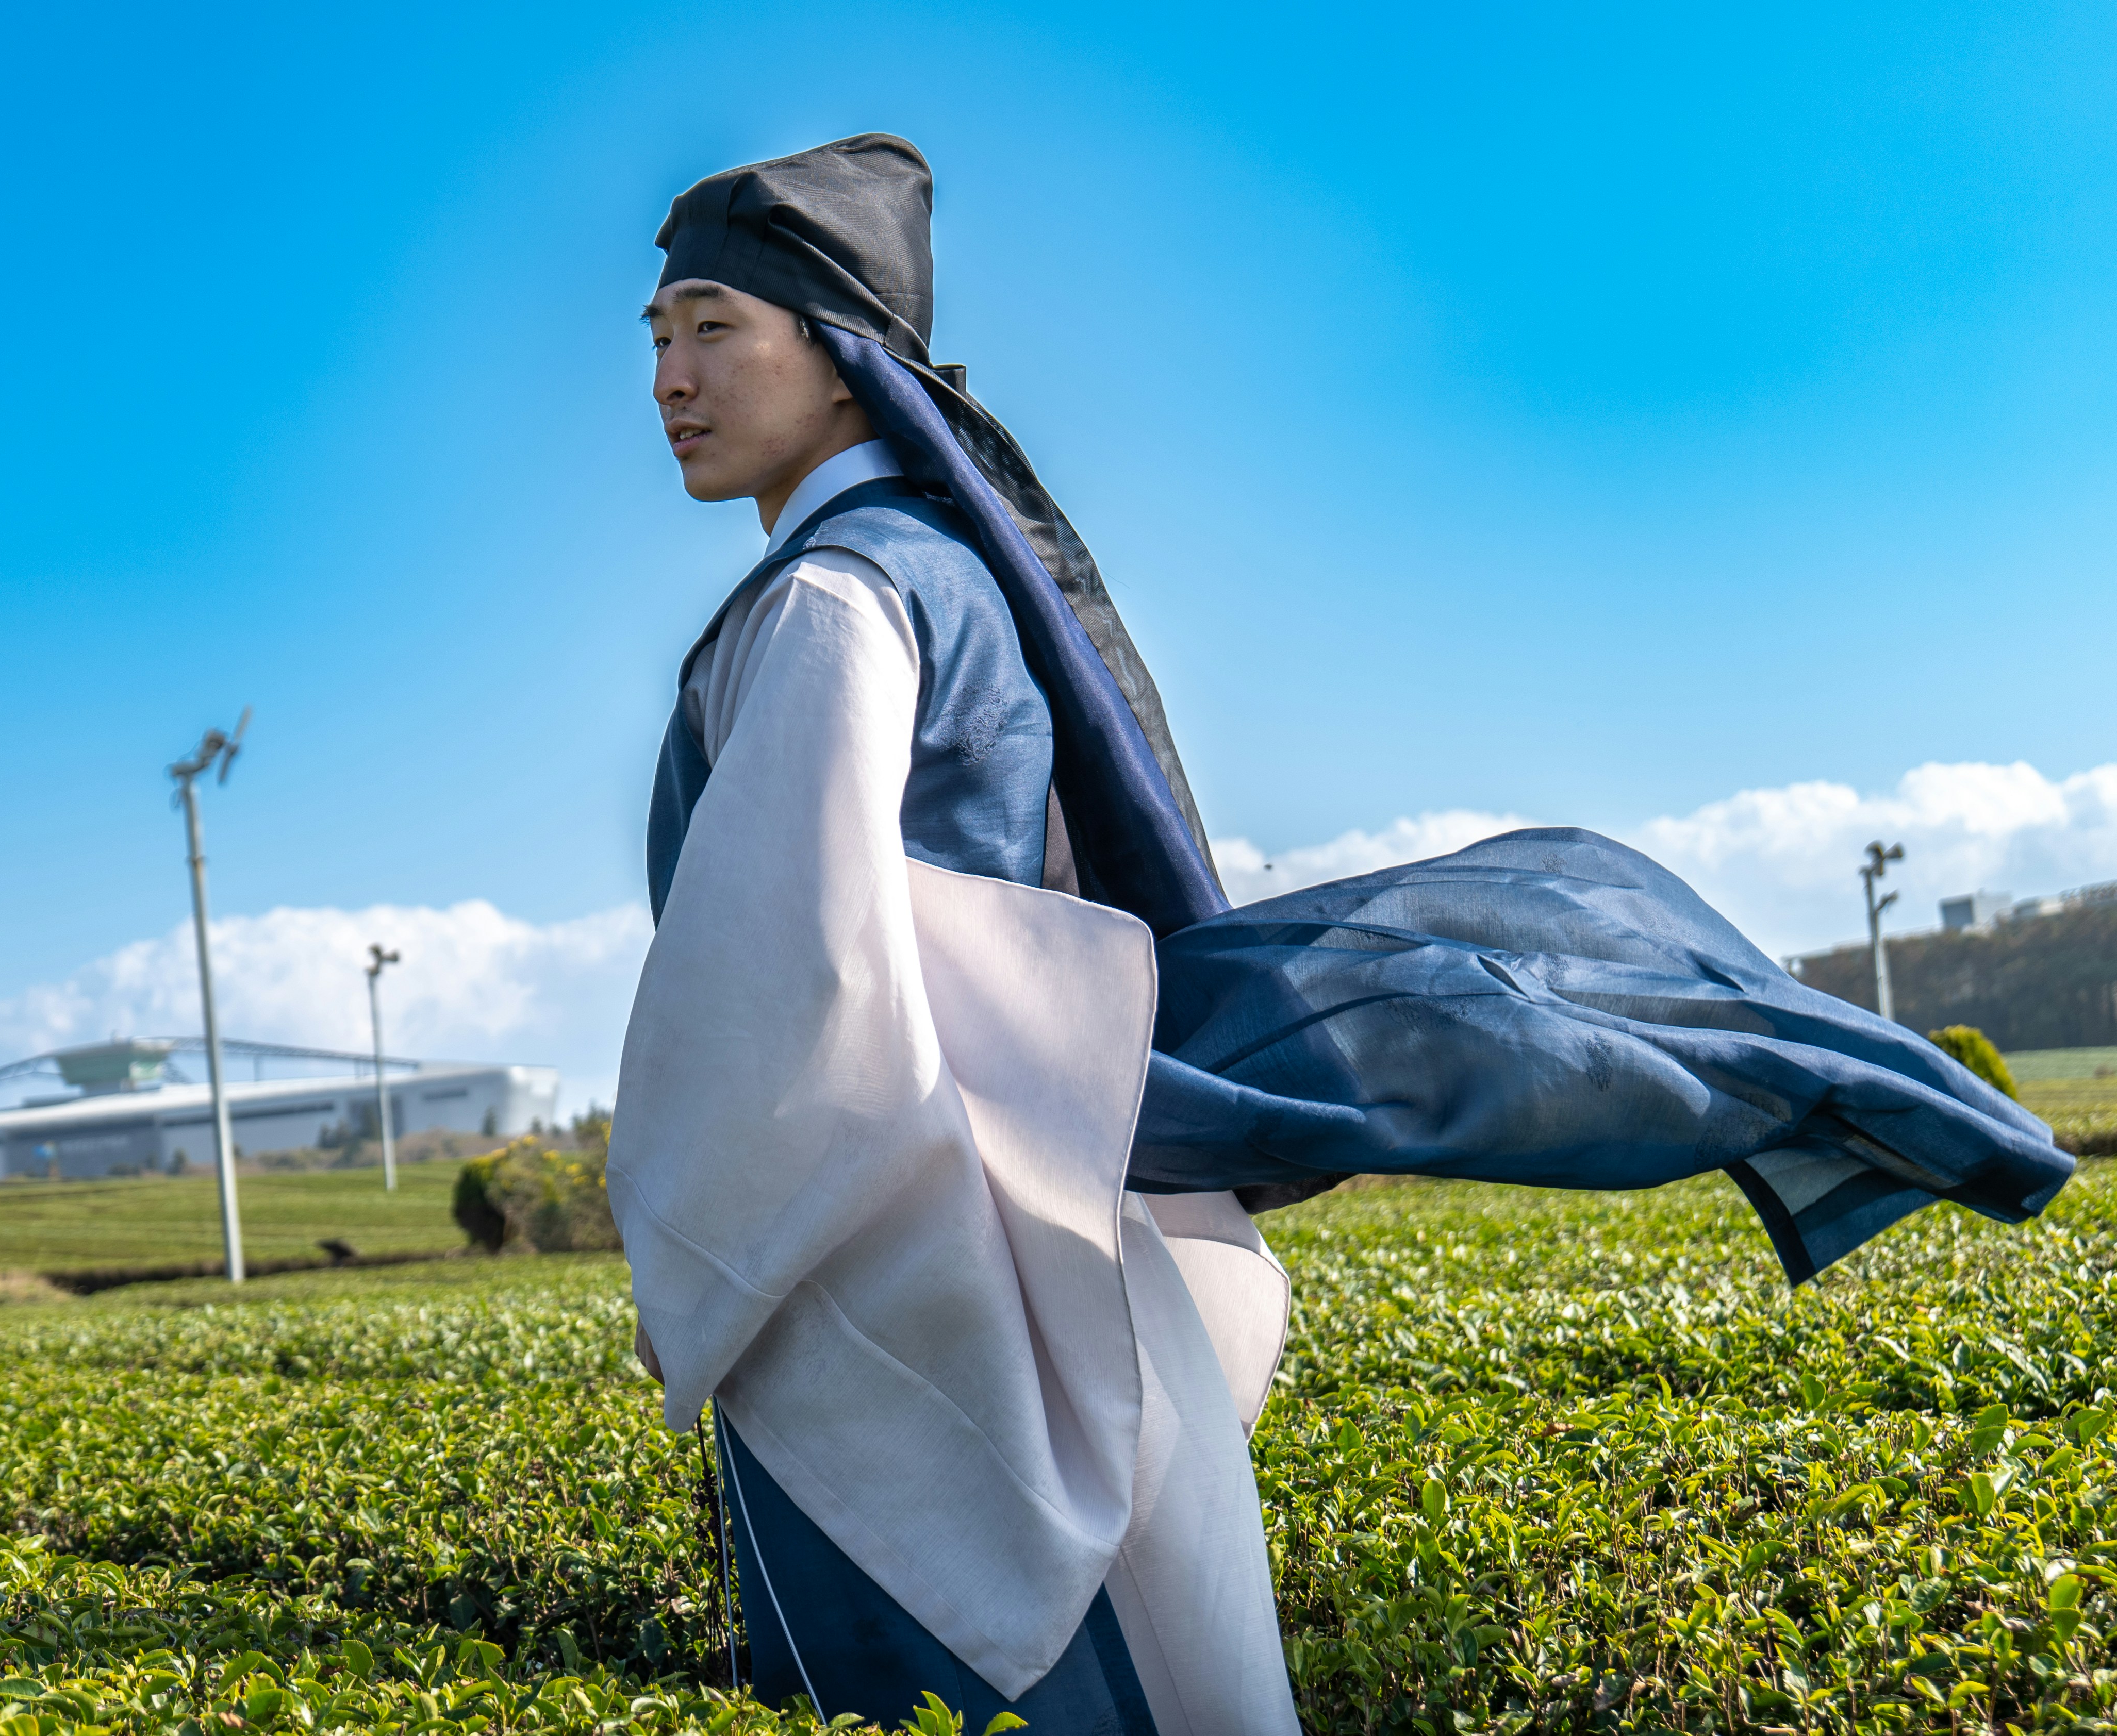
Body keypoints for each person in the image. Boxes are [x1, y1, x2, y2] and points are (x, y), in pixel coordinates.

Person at [608, 134, 2070, 1734]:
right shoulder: (943, 571)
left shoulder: (838, 598)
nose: (671, 376)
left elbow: (784, 984)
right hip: (1041, 1222)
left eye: (713, 326)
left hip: (906, 1270)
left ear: (841, 354)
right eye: (659, 337)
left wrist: (696, 1259)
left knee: (964, 1666)